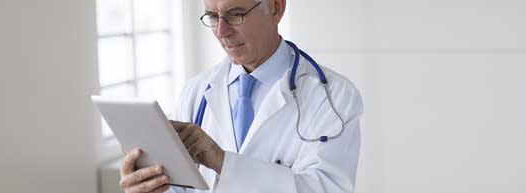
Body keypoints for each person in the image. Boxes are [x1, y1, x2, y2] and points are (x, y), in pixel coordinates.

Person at [118, 0, 363, 192]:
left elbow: (327, 189)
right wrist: (149, 185)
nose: (222, 31)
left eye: (236, 14)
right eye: (212, 16)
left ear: (276, 8)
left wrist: (222, 161)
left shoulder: (333, 98)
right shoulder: (196, 92)